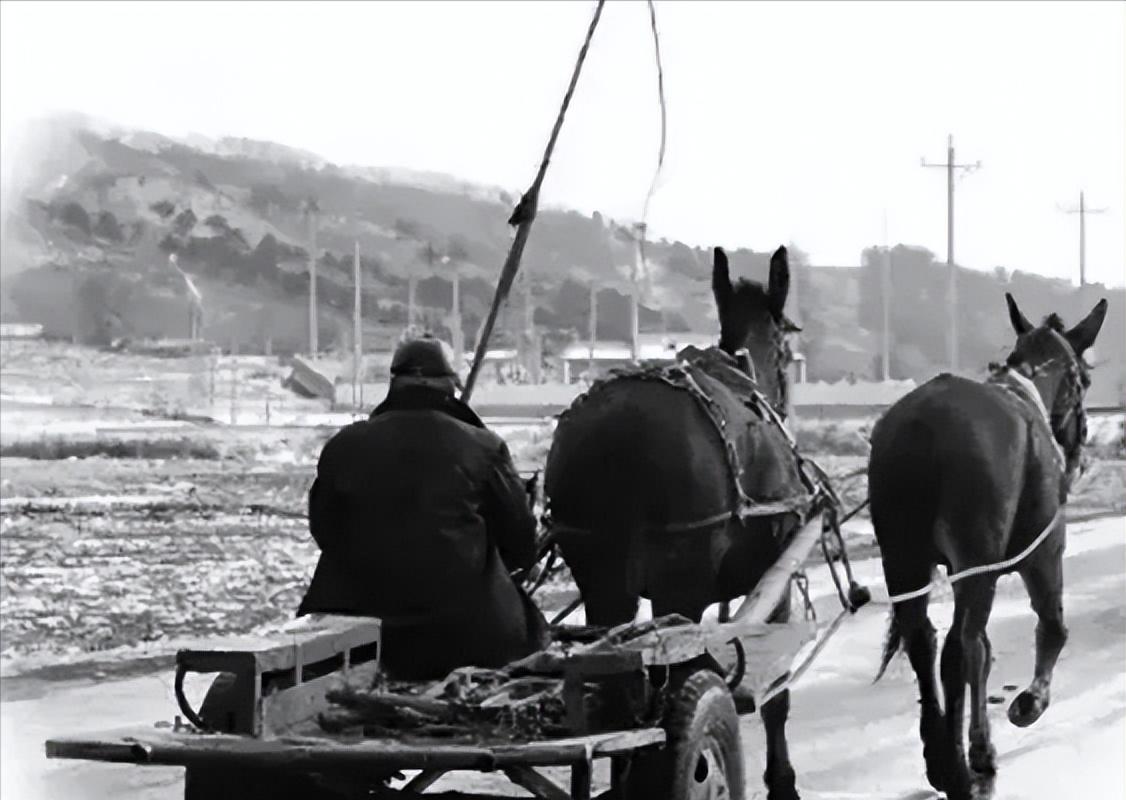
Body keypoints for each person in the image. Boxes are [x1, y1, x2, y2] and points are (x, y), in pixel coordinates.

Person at [296, 334, 549, 680]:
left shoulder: (344, 445)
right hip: (465, 636)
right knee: (533, 635)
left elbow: (324, 529)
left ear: (394, 384)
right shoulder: (484, 446)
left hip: (358, 624)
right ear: (449, 386)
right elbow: (520, 542)